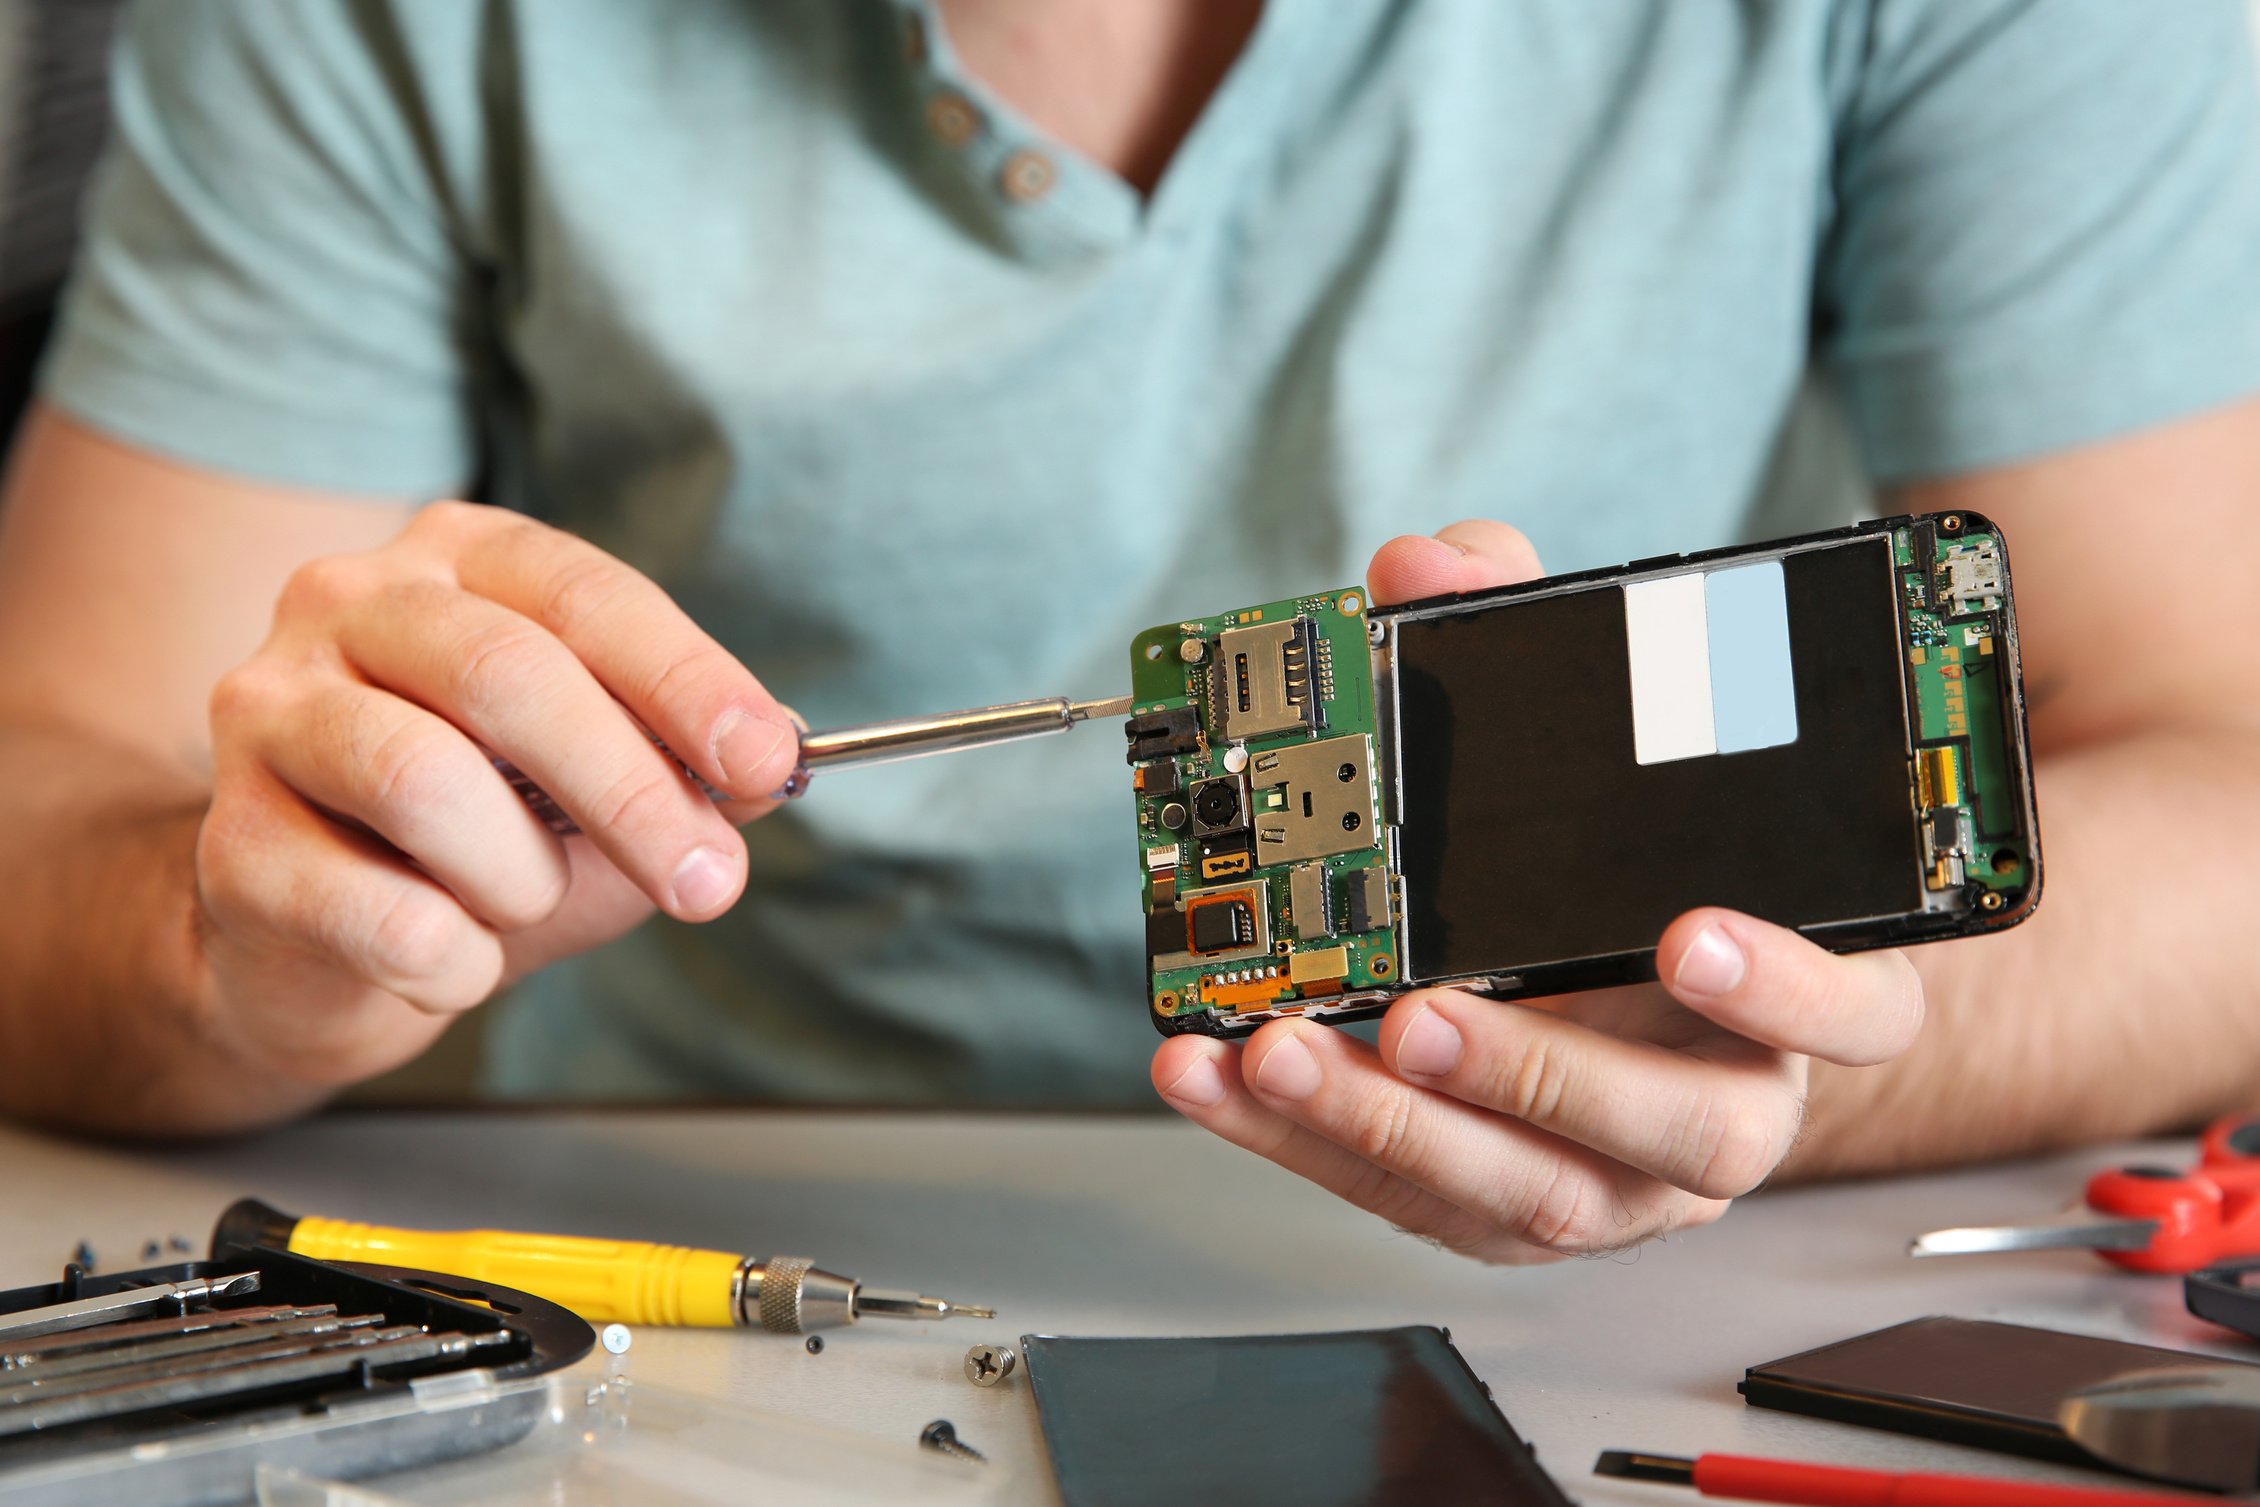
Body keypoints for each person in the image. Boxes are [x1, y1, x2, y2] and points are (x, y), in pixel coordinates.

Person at [0, 0, 2256, 1265]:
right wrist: (242, 949)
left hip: (1656, 1312)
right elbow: (46, 814)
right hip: (689, 1268)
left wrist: (1729, 1031)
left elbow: (2229, 791)